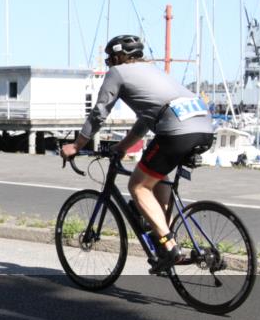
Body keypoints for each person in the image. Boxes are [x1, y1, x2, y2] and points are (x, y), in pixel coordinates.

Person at [61, 34, 215, 274]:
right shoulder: (151, 71)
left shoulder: (119, 73)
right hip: (204, 127)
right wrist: (122, 146)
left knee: (138, 186)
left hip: (176, 131)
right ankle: (164, 240)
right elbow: (146, 120)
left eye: (111, 58)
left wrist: (77, 145)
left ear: (121, 56)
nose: (110, 64)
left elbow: (99, 113)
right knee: (157, 179)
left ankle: (168, 245)